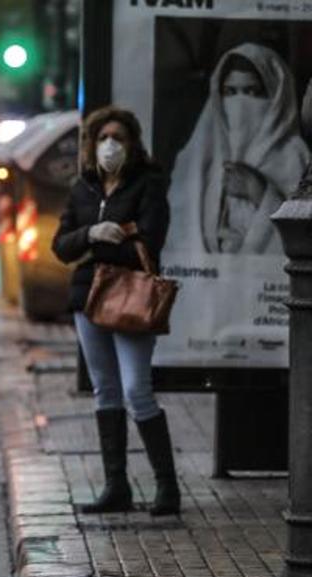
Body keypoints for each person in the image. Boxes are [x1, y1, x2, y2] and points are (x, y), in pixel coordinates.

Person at [52, 106, 179, 517]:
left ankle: (167, 486)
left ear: (132, 143)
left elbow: (150, 240)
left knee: (136, 390)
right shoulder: (83, 188)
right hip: (87, 299)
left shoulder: (148, 185)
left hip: (130, 300)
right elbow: (60, 245)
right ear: (92, 144)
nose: (110, 146)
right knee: (105, 390)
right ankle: (116, 485)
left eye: (119, 138)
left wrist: (98, 244)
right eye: (103, 137)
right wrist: (90, 233)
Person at [168, 43, 310, 255]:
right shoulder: (195, 158)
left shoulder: (297, 157)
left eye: (252, 92)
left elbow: (305, 240)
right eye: (230, 92)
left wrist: (262, 194)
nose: (240, 103)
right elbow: (178, 240)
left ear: (274, 96)